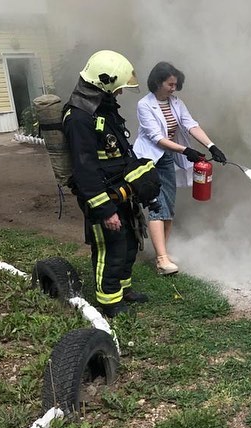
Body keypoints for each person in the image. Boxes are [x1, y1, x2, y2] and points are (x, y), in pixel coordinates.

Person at [62, 50, 160, 318]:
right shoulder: (79, 117)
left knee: (129, 242)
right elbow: (85, 170)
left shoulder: (102, 109)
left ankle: (124, 290)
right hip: (102, 196)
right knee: (110, 247)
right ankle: (109, 303)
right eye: (117, 89)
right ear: (104, 83)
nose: (119, 95)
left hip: (119, 190)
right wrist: (105, 210)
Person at [133, 61, 227, 275]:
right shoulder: (144, 105)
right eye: (171, 84)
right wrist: (186, 151)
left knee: (169, 205)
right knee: (157, 205)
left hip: (166, 158)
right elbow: (157, 138)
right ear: (158, 82)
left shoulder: (175, 102)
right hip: (150, 159)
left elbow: (191, 124)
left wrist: (212, 146)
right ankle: (161, 260)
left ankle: (163, 252)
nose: (174, 88)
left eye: (176, 85)